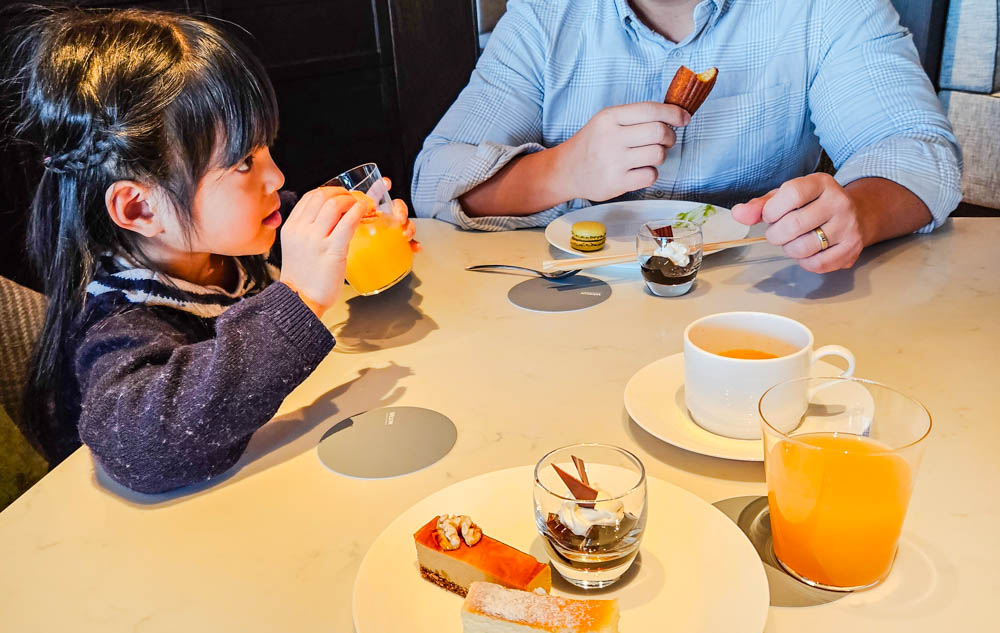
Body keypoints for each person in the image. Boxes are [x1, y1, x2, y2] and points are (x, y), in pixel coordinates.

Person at [5, 7, 413, 492]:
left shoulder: (236, 233)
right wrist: (299, 298)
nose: (277, 177)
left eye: (266, 149)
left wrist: (350, 240)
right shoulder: (119, 320)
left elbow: (309, 238)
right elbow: (140, 449)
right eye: (244, 162)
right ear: (140, 209)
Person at [412, 0, 962, 273]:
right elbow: (435, 178)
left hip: (760, 296)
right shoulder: (544, 16)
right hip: (570, 296)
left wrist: (858, 212)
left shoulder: (824, 9)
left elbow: (921, 154)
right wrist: (561, 169)